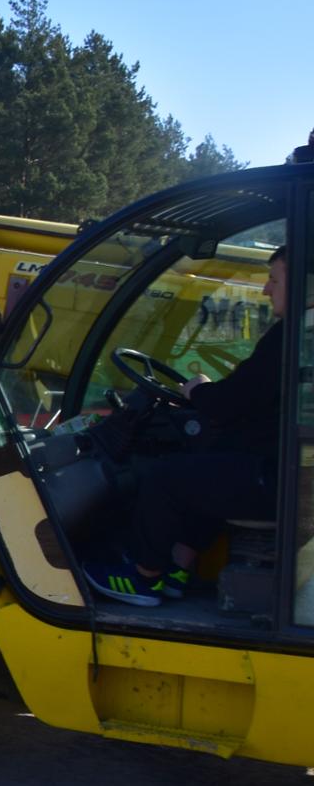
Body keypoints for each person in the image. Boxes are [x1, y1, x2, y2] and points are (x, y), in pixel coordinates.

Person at [83, 246, 287, 606]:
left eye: (274, 280)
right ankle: (177, 569)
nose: (266, 290)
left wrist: (200, 390)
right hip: (280, 471)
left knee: (163, 478)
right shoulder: (298, 336)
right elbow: (252, 398)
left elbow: (231, 403)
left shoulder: (291, 339)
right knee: (210, 457)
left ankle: (143, 578)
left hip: (276, 481)